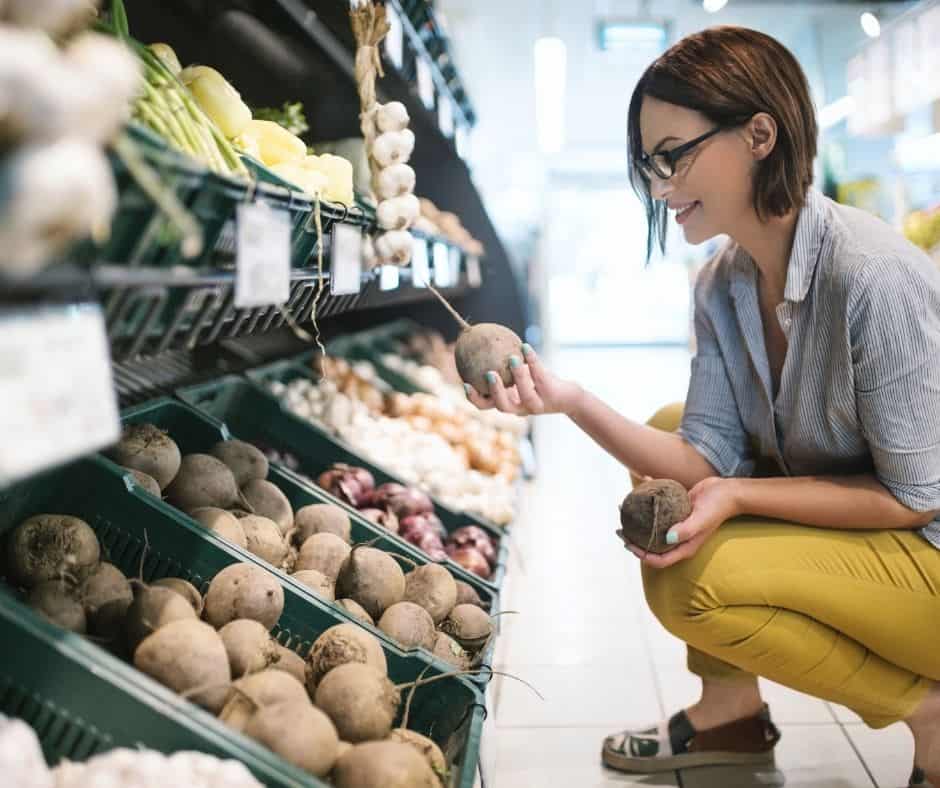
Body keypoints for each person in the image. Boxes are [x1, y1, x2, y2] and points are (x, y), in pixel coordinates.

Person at [465, 25, 940, 787]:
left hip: (930, 560)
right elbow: (699, 457)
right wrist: (570, 401)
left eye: (672, 155)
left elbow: (919, 497)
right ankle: (732, 716)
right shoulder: (722, 285)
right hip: (882, 544)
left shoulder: (871, 276)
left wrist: (740, 492)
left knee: (694, 582)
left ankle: (928, 713)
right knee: (664, 433)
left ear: (759, 134)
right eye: (648, 164)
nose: (658, 185)